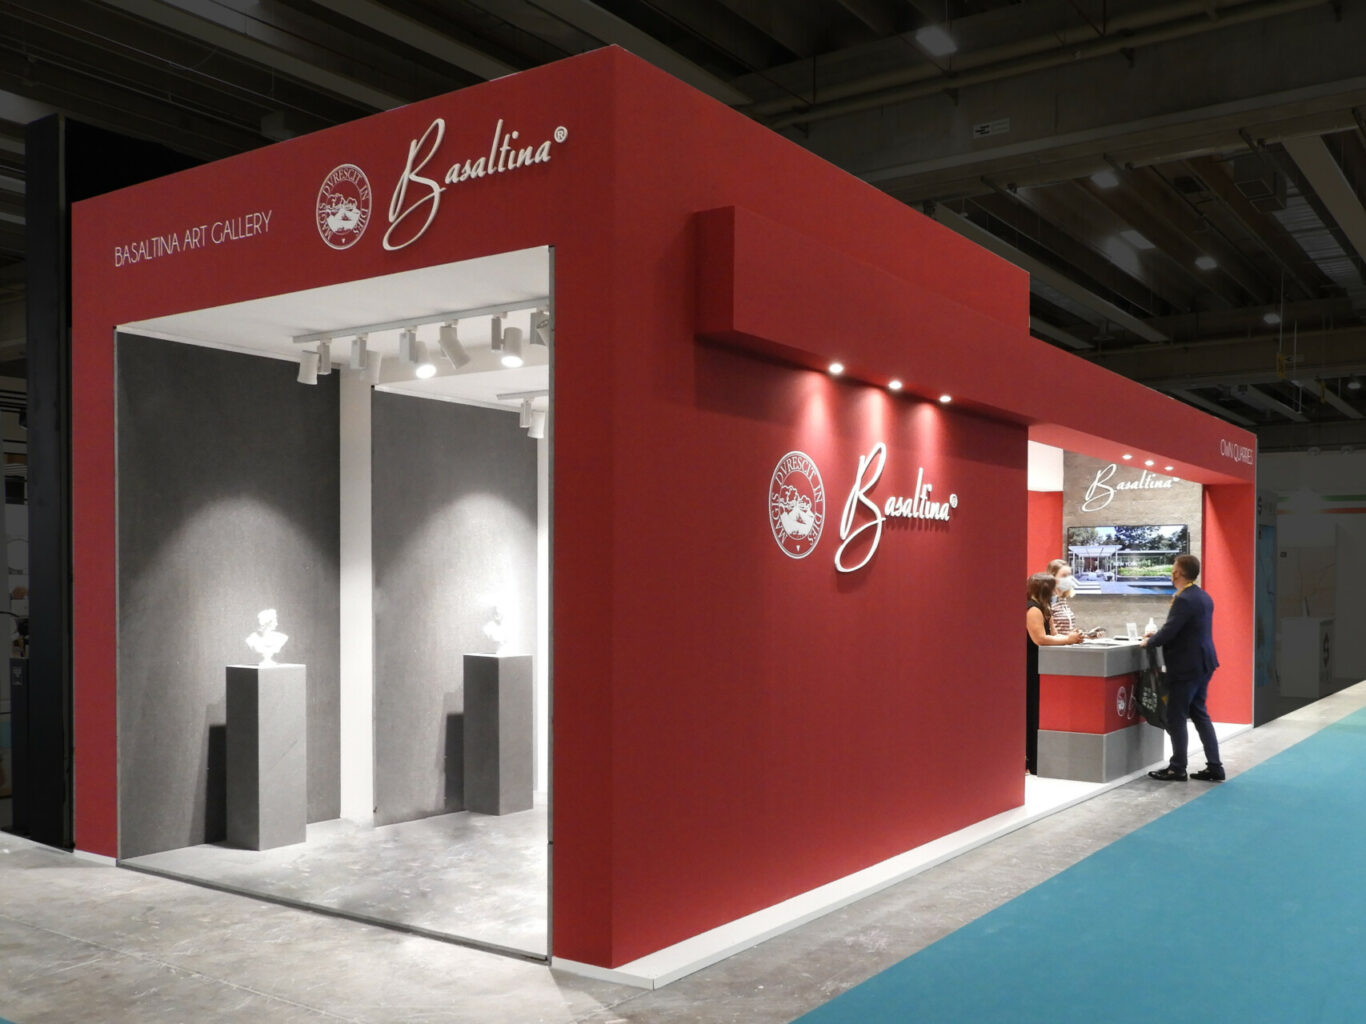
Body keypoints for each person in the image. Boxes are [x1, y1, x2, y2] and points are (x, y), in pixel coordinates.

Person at [1141, 554, 1224, 782]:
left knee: (1175, 715)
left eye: (1174, 569)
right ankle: (1215, 766)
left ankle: (1177, 767)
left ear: (1177, 573)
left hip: (1186, 666)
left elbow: (1170, 630)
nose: (1172, 572)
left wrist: (1149, 641)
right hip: (1204, 663)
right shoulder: (1203, 596)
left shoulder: (1184, 599)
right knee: (1199, 713)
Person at [1026, 572, 1083, 775]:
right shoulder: (1032, 610)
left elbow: (1054, 635)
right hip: (1031, 667)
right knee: (1031, 712)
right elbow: (1040, 639)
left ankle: (1037, 759)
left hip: (1044, 666)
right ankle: (1030, 760)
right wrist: (1068, 639)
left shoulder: (1044, 608)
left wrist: (1070, 637)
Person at [1047, 559, 1080, 635]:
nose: (1068, 579)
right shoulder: (1048, 601)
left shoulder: (1062, 600)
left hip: (1067, 645)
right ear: (1053, 577)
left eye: (1069, 575)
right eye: (1064, 576)